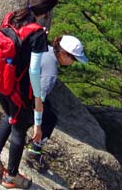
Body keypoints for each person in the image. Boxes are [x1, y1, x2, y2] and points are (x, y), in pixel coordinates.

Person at [0, 0, 57, 189]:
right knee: (19, 128)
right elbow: (33, 71)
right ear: (47, 12)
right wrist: (38, 99)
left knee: (9, 117)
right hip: (17, 90)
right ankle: (11, 176)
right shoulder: (38, 34)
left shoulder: (12, 17)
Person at [24, 34, 88, 170]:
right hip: (27, 97)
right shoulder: (51, 72)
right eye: (74, 59)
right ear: (64, 54)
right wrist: (38, 125)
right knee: (50, 119)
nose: (73, 63)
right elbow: (39, 99)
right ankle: (34, 150)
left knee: (49, 109)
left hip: (19, 86)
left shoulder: (45, 49)